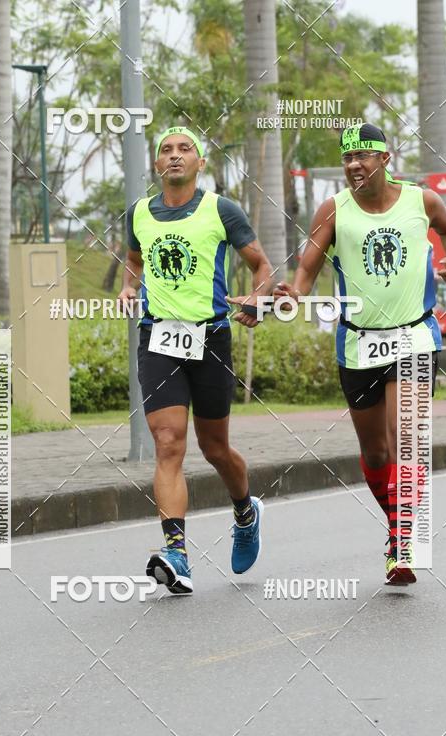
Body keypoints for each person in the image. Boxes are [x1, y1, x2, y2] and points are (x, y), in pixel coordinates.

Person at [237, 123, 446, 585]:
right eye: (347, 157)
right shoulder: (333, 210)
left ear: (385, 159)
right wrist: (281, 299)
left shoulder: (421, 201)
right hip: (358, 342)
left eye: (363, 154)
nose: (354, 164)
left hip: (415, 335)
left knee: (406, 438)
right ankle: (396, 525)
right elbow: (304, 275)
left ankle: (403, 542)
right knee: (376, 451)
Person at [118, 126, 272, 594]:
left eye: (185, 149)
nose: (175, 155)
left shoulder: (221, 209)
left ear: (200, 162)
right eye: (166, 149)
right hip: (159, 338)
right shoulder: (139, 213)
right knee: (167, 443)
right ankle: (176, 553)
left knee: (215, 448)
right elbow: (133, 259)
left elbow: (260, 265)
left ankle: (246, 511)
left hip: (211, 339)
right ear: (157, 164)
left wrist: (258, 300)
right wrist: (128, 286)